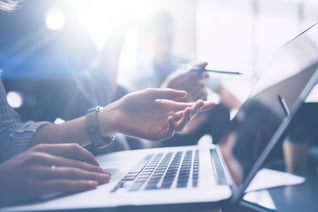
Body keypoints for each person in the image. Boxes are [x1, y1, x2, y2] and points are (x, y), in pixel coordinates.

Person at [0, 0, 215, 206]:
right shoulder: (24, 20)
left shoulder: (58, 23)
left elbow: (7, 135)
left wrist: (114, 115)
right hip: (101, 160)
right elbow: (86, 97)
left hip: (123, 152)